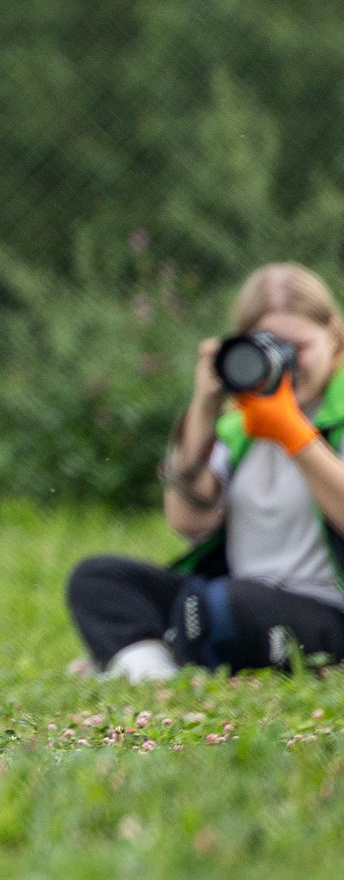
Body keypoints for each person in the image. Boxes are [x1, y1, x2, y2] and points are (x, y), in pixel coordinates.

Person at [66, 262, 344, 679]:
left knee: (215, 607)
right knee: (97, 579)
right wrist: (205, 407)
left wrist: (295, 435)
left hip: (322, 609)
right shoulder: (241, 427)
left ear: (335, 337)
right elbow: (187, 520)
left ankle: (145, 657)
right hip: (233, 599)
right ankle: (153, 672)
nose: (288, 363)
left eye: (299, 347)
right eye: (268, 345)